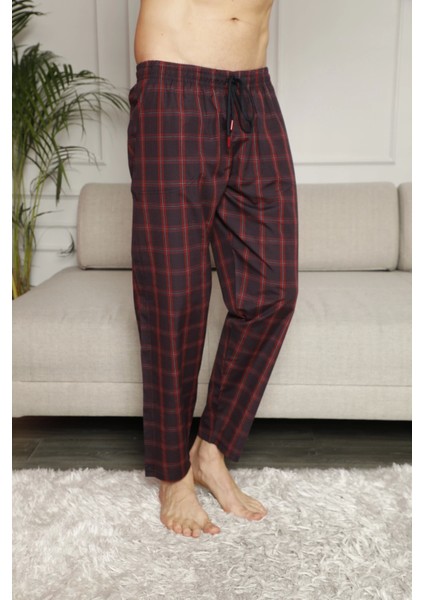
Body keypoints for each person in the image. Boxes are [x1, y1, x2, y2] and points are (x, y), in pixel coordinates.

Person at [127, 0, 299, 538]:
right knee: (175, 296)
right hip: (174, 89)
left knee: (272, 289)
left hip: (253, 92)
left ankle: (211, 449)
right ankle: (173, 472)